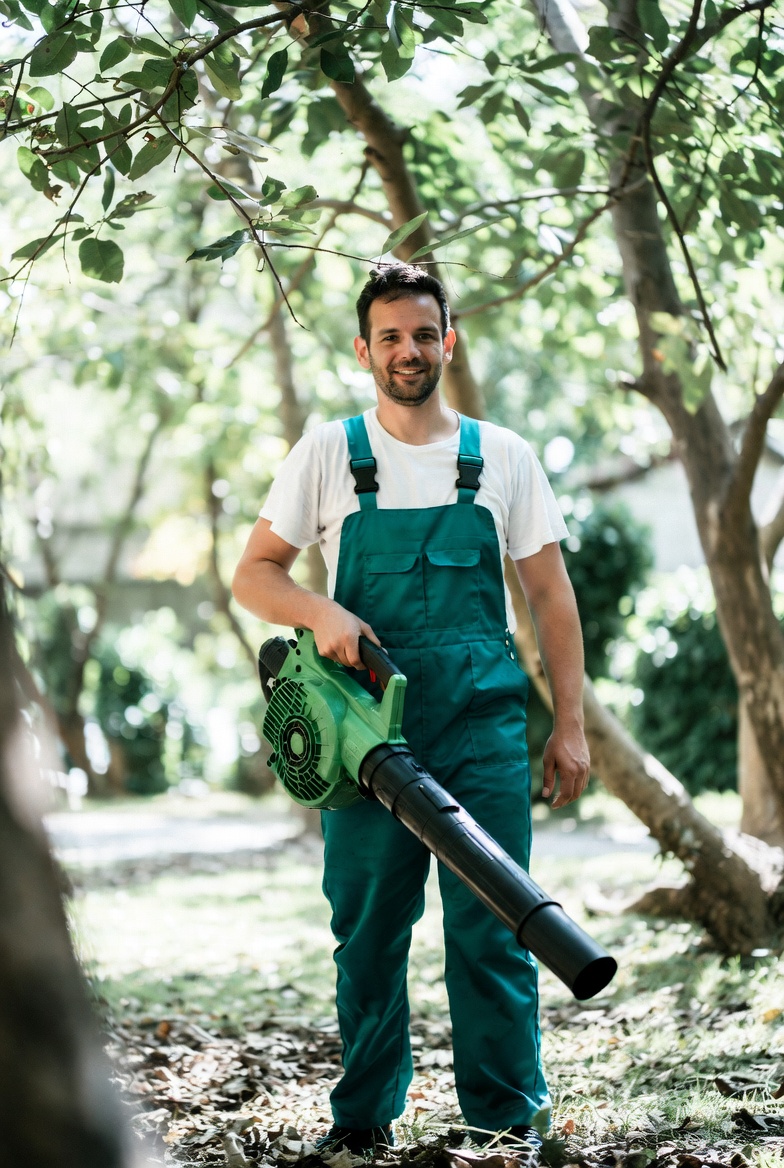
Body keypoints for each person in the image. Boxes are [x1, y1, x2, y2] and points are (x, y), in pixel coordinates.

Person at [232, 264, 589, 1158]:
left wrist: (571, 724)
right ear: (364, 350)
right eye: (389, 337)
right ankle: (361, 1124)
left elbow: (551, 598)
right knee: (367, 931)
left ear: (448, 343)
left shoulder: (501, 456)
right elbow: (254, 574)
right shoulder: (327, 454)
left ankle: (506, 1124)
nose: (407, 351)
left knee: (497, 928)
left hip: (482, 732)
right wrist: (322, 612)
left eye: (423, 334)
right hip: (363, 741)